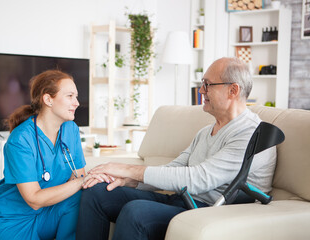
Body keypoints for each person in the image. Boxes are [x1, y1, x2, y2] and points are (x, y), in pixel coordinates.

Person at [76, 57, 277, 240]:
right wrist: (127, 181)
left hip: (213, 211)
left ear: (233, 90)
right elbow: (175, 170)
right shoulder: (206, 131)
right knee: (97, 193)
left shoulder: (251, 134)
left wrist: (127, 169)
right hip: (184, 201)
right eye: (202, 85)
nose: (201, 91)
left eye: (207, 85)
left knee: (136, 212)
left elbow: (199, 179)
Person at [0, 70, 91, 240]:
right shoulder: (20, 140)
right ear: (48, 99)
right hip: (12, 222)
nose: (77, 103)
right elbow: (34, 199)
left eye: (76, 96)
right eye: (70, 96)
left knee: (80, 196)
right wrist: (81, 181)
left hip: (47, 214)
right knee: (79, 186)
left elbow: (79, 175)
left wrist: (86, 180)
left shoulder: (71, 130)